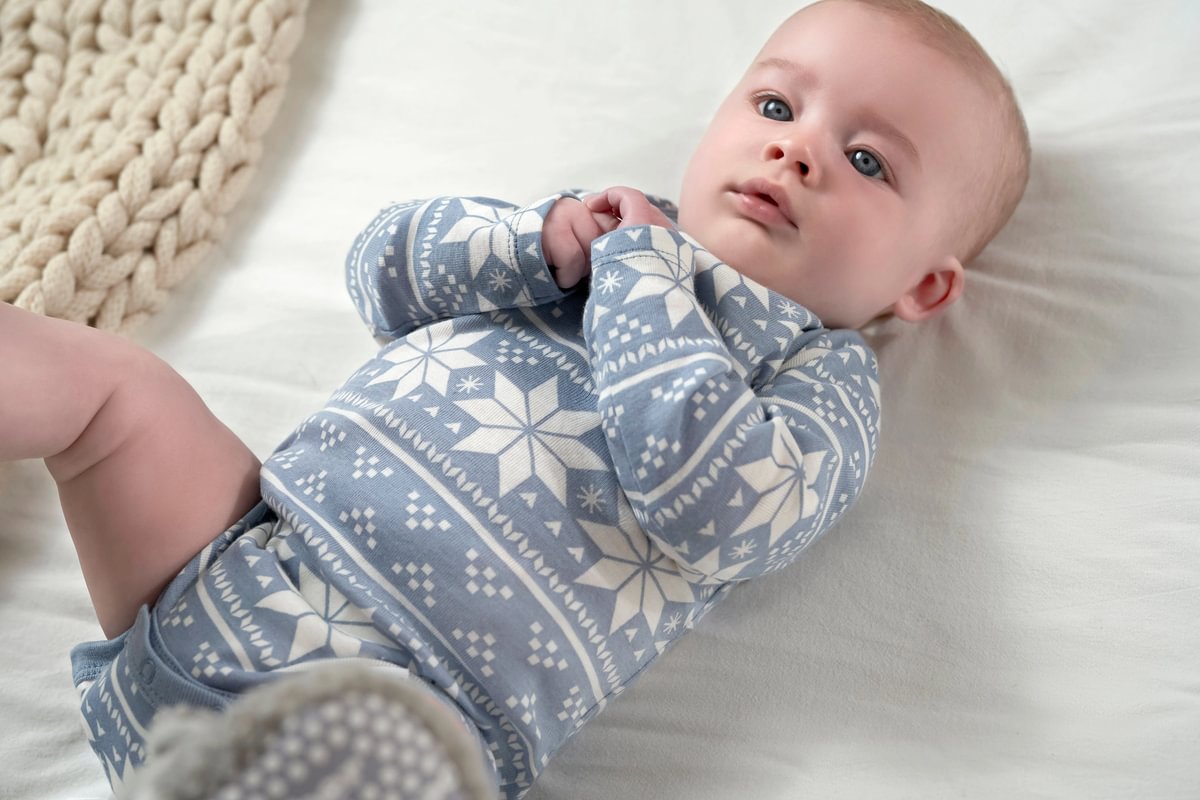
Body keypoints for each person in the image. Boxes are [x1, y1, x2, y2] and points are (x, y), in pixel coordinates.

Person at [0, 0, 1029, 797]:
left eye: (865, 161)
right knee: (111, 387)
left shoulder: (819, 375)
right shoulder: (591, 228)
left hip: (410, 709)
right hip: (236, 560)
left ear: (923, 286)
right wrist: (531, 242)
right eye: (775, 105)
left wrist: (646, 281)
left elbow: (719, 511)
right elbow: (382, 275)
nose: (796, 149)